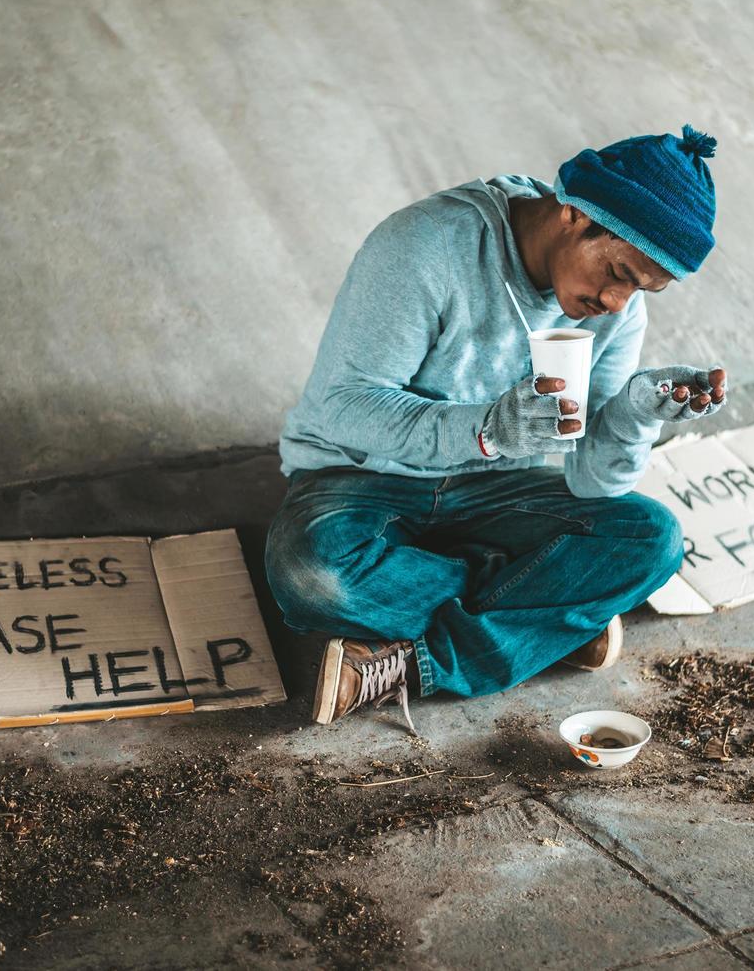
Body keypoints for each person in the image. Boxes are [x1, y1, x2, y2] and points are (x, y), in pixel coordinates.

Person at [265, 127, 727, 734]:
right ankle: (550, 616)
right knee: (312, 573)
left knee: (653, 539)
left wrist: (633, 414)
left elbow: (591, 483)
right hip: (363, 476)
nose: (617, 302)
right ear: (574, 213)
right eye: (616, 270)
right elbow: (345, 408)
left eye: (641, 287)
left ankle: (420, 661)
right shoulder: (426, 247)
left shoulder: (619, 311)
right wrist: (485, 430)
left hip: (495, 491)